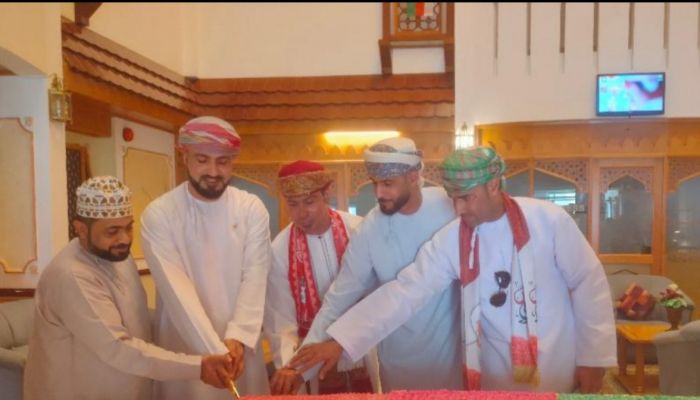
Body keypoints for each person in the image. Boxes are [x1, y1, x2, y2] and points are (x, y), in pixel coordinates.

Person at [293, 146, 617, 394]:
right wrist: (342, 340)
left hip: (555, 365)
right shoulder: (454, 238)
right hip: (494, 377)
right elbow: (406, 291)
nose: (459, 209)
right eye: (453, 199)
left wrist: (593, 358)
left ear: (493, 185)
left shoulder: (548, 220)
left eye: (466, 198)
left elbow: (587, 282)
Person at [24, 176, 236, 400]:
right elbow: (117, 348)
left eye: (128, 227)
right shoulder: (71, 275)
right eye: (112, 231)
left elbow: (137, 321)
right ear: (81, 229)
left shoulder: (119, 257)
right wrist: (198, 367)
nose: (124, 239)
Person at [288, 137, 463, 392]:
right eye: (375, 183)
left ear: (413, 176)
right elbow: (339, 297)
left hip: (451, 357)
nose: (379, 193)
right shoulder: (370, 229)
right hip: (397, 360)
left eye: (388, 183)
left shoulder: (450, 206)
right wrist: (299, 366)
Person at [140, 116, 272, 399]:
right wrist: (215, 350)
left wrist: (237, 337)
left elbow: (255, 277)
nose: (213, 171)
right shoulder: (160, 214)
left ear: (232, 162)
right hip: (186, 350)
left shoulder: (251, 208)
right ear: (184, 157)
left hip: (241, 349)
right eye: (202, 160)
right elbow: (177, 292)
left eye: (222, 162)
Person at [263, 160, 380, 395]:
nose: (301, 213)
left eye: (309, 202)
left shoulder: (359, 230)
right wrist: (292, 368)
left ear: (327, 194)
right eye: (293, 204)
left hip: (365, 349)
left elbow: (378, 298)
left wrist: (345, 343)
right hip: (314, 362)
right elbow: (281, 321)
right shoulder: (280, 249)